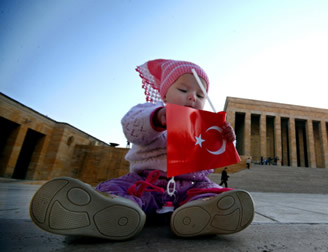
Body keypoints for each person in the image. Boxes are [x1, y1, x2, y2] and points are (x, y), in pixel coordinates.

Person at [29, 59, 255, 240]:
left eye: (200, 95)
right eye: (184, 89)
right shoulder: (151, 110)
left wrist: (225, 138)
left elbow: (212, 156)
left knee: (209, 192)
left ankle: (202, 213)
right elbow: (132, 128)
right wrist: (158, 118)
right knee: (123, 190)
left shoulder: (203, 127)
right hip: (148, 183)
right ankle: (115, 209)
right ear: (165, 94)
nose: (191, 97)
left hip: (191, 186)